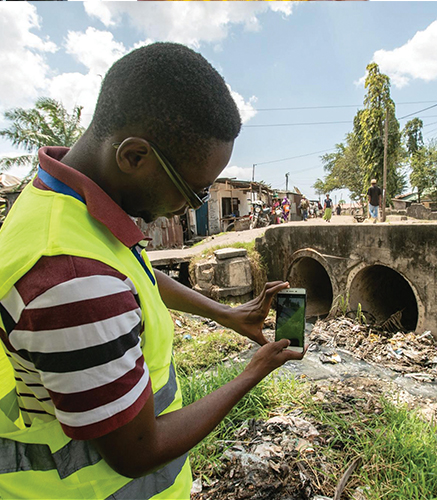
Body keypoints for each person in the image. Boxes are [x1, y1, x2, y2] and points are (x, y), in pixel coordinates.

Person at [0, 43, 304, 500]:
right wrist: (252, 371)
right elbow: (138, 452)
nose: (190, 206)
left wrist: (226, 315)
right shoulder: (72, 277)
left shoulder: (61, 199)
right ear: (134, 157)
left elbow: (134, 273)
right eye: (193, 190)